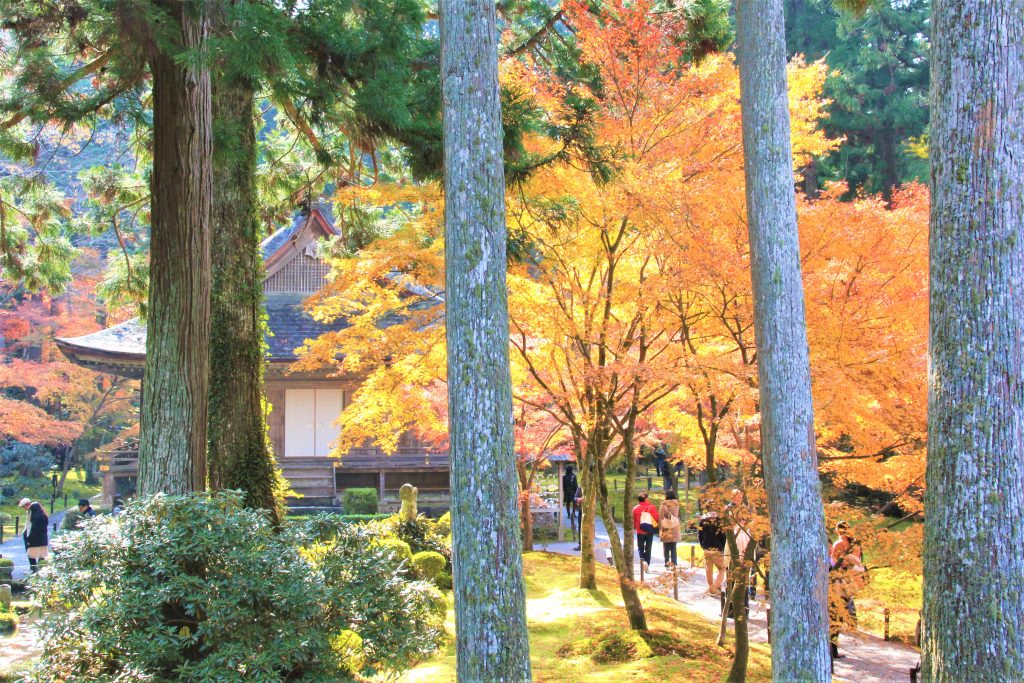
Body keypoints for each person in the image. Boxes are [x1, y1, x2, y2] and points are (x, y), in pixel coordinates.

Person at [828, 521, 865, 659]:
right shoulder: (856, 545)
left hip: (838, 583)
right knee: (838, 615)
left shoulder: (839, 544)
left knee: (833, 615)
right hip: (850, 584)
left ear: (838, 531)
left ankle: (832, 649)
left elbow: (834, 563)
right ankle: (834, 648)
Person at [698, 512, 727, 596]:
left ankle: (711, 587)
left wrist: (702, 545)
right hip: (717, 548)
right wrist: (722, 547)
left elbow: (700, 535)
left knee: (708, 570)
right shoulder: (719, 520)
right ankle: (714, 587)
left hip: (706, 548)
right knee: (722, 568)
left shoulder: (703, 520)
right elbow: (723, 536)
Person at [19, 498, 49, 572]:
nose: (23, 509)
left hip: (33, 537)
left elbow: (32, 527)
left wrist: (28, 537)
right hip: (42, 537)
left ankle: (34, 570)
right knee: (41, 555)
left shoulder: (34, 512)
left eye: (23, 507)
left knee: (31, 555)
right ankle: (40, 570)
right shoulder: (40, 510)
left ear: (27, 505)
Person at [632, 492, 659, 567]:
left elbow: (633, 520)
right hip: (649, 531)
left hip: (640, 531)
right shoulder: (652, 507)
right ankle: (647, 563)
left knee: (640, 548)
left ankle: (642, 561)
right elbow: (656, 518)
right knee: (648, 548)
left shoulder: (635, 508)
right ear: (646, 499)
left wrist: (636, 526)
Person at [658, 490, 681, 567]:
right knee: (674, 547)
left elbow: (660, 517)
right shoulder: (677, 505)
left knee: (666, 547)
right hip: (675, 527)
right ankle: (674, 563)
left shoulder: (663, 505)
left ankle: (667, 562)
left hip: (666, 528)